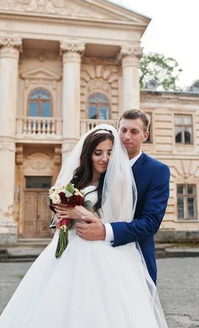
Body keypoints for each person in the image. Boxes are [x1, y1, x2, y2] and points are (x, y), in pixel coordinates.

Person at [0, 123, 172, 328]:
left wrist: (79, 212)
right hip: (71, 248)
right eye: (98, 153)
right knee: (57, 308)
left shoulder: (119, 180)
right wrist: (62, 214)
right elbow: (62, 214)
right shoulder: (78, 180)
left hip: (103, 251)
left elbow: (120, 219)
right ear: (89, 154)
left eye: (110, 153)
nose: (104, 158)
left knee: (102, 313)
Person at [73, 109, 170, 284]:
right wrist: (62, 217)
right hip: (88, 256)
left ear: (145, 135)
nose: (126, 136)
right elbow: (80, 193)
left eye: (134, 131)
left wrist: (105, 231)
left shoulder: (157, 171)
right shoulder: (102, 162)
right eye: (123, 130)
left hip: (133, 257)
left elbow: (150, 223)